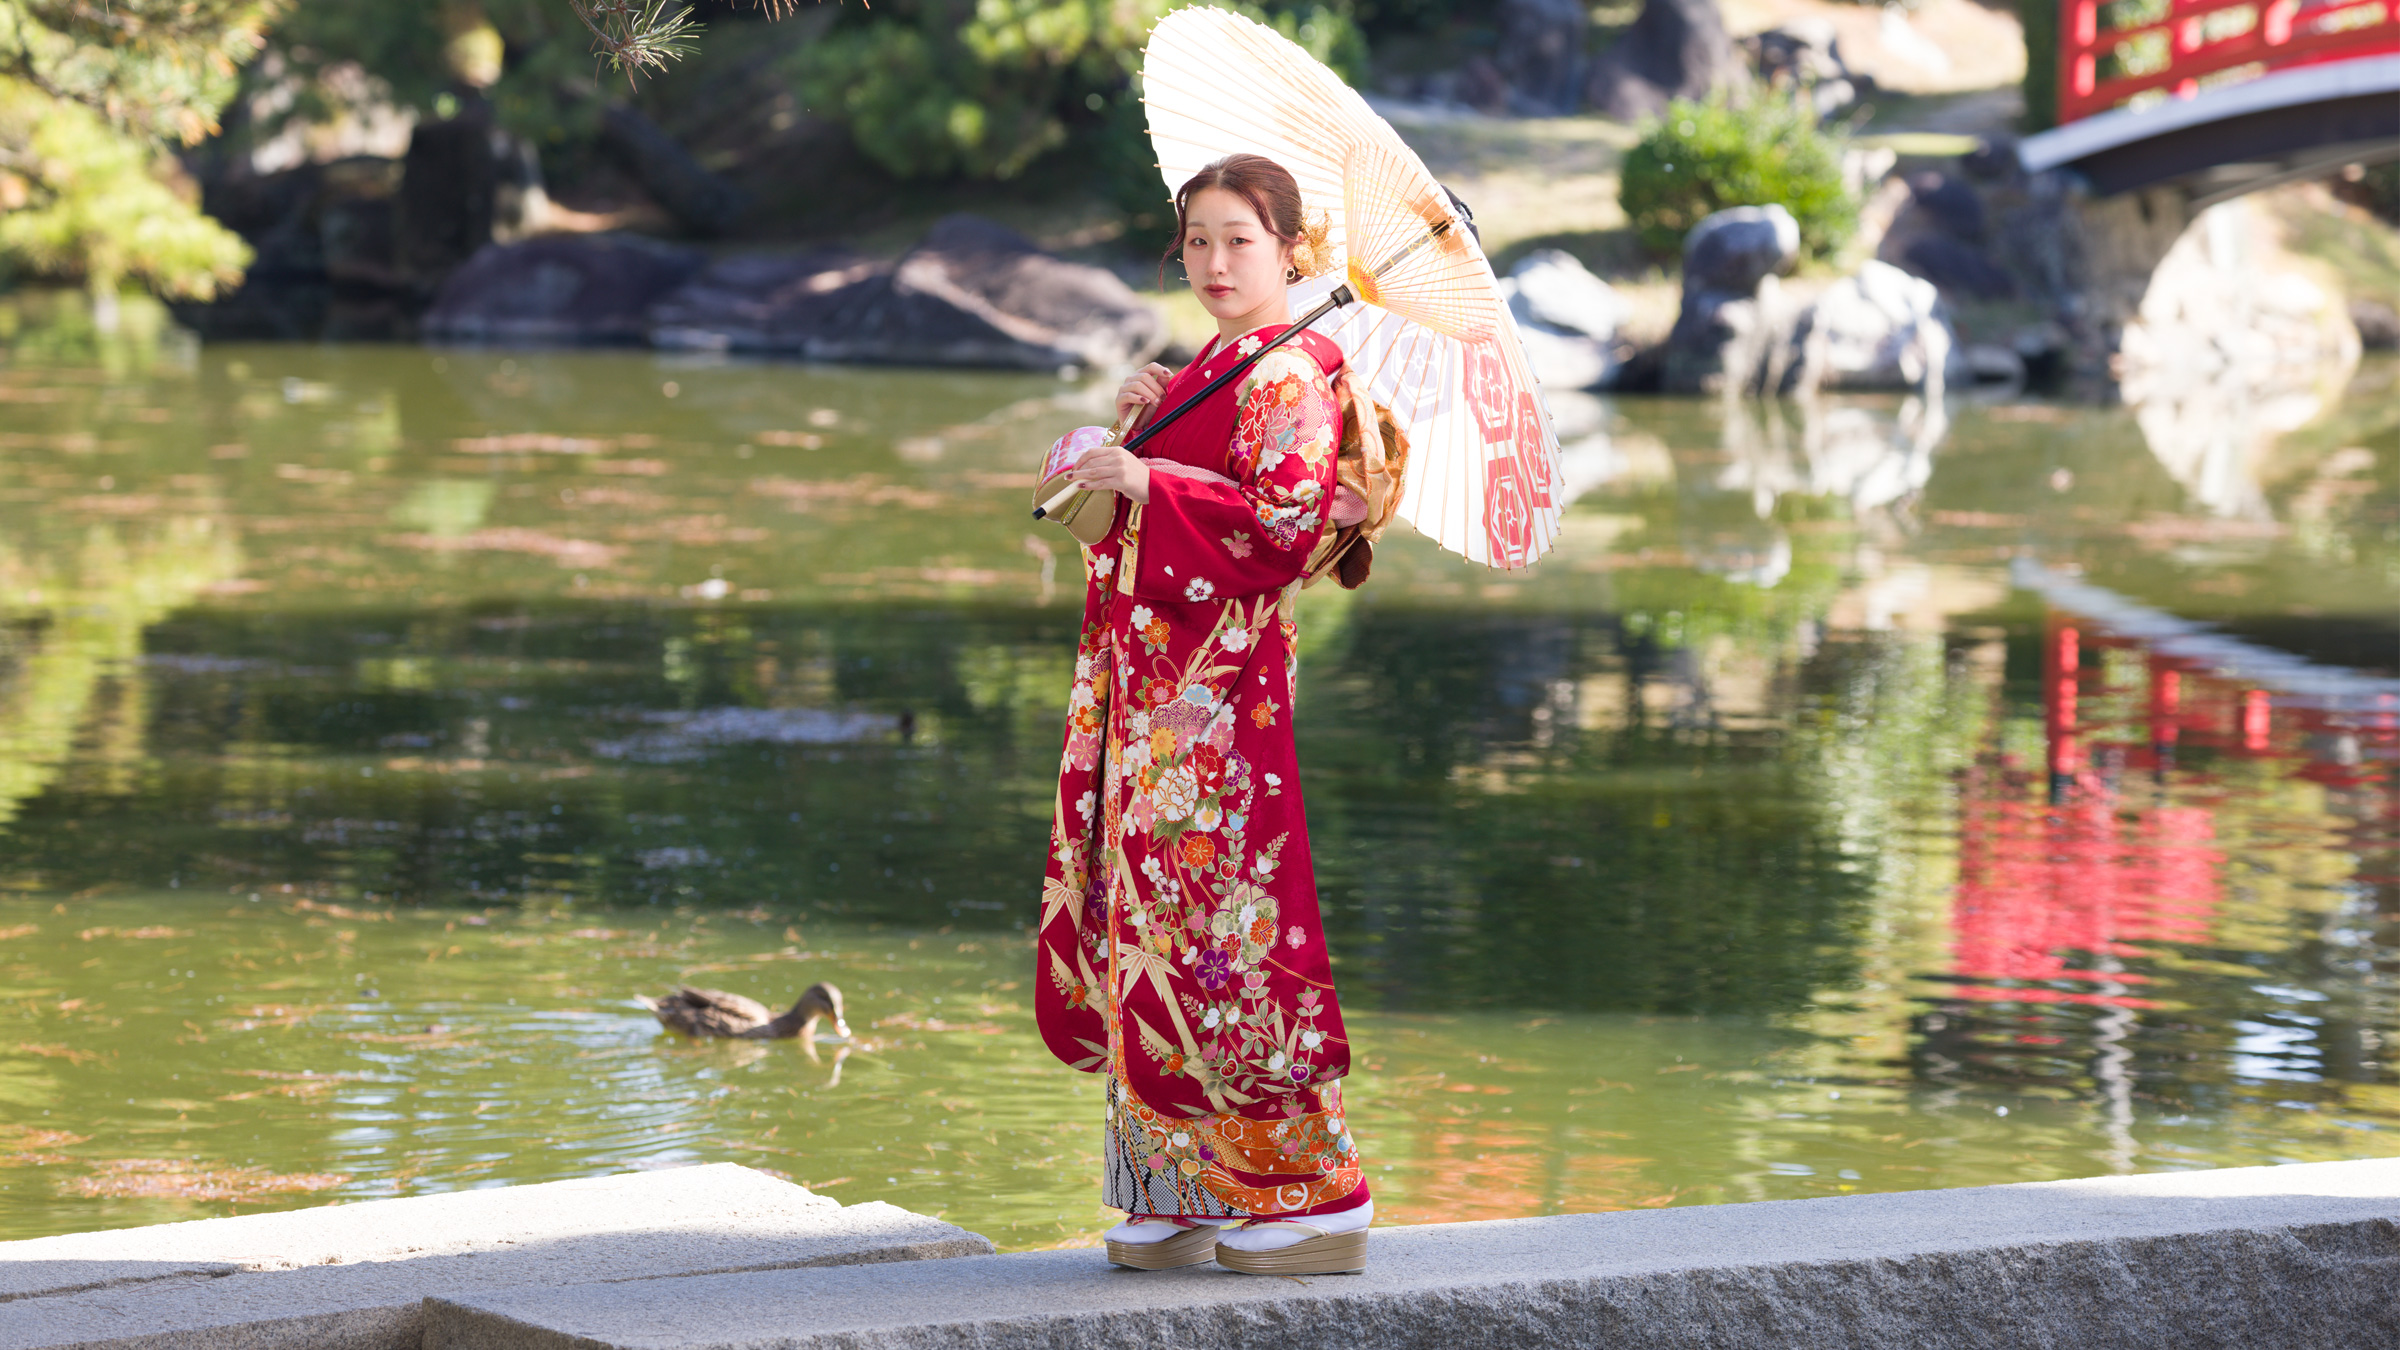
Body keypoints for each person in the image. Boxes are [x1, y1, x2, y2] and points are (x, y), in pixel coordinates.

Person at [1033, 152, 1374, 1276]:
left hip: (1218, 705)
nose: (1217, 261)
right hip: (1149, 696)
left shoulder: (1292, 377)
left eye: (1241, 239)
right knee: (1143, 928)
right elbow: (1144, 500)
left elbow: (1278, 528)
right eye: (1198, 239)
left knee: (1231, 933)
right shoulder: (1227, 367)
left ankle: (1316, 1191)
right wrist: (1149, 421)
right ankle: (1176, 1181)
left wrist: (1153, 483)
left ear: (1292, 250)